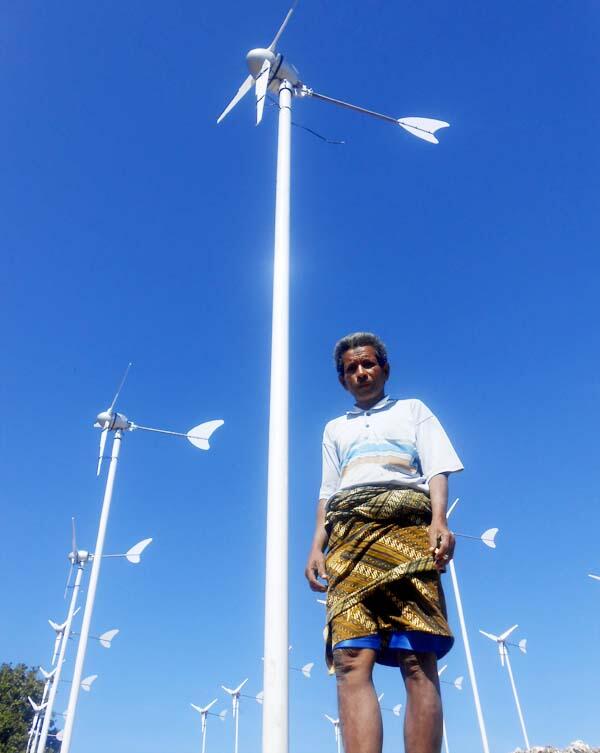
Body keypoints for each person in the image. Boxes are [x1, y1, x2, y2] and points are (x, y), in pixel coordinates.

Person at [305, 332, 463, 753]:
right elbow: (328, 492)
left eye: (368, 364)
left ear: (384, 368)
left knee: (417, 656)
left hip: (406, 534)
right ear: (342, 379)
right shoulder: (334, 429)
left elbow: (437, 469)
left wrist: (439, 520)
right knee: (351, 658)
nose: (361, 372)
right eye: (351, 368)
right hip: (348, 541)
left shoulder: (414, 411)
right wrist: (315, 546)